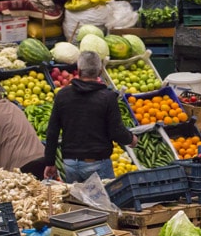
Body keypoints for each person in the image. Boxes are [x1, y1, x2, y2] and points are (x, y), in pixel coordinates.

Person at [44, 51, 137, 183]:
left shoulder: (62, 95)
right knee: (105, 196)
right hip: (98, 163)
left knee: (77, 197)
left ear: (79, 71)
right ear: (100, 72)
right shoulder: (108, 97)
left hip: (70, 164)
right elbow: (116, 131)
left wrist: (50, 162)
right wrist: (131, 139)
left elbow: (52, 131)